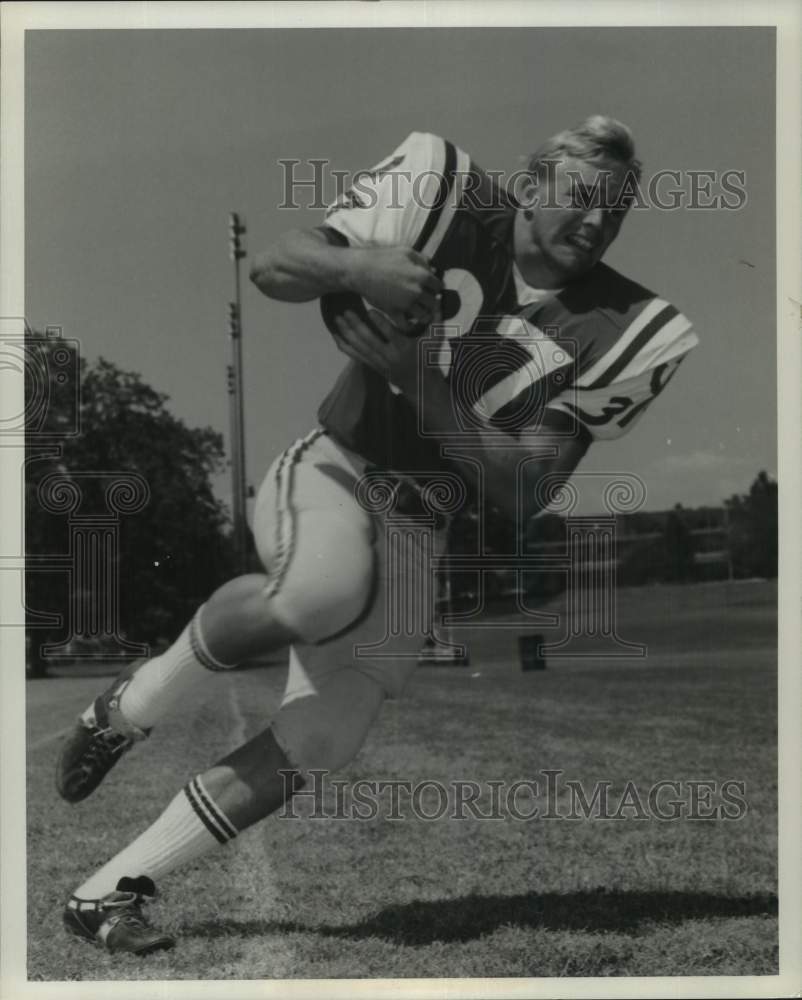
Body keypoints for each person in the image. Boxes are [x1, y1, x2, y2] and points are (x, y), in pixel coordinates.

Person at [56, 116, 698, 954]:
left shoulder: (622, 327)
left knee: (328, 731)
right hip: (335, 469)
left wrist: (419, 383)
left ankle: (107, 892)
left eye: (616, 212)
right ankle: (129, 707)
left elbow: (525, 491)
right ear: (535, 181)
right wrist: (355, 263)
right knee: (319, 587)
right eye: (583, 198)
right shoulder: (442, 187)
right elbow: (273, 263)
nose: (596, 223)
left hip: (418, 528)